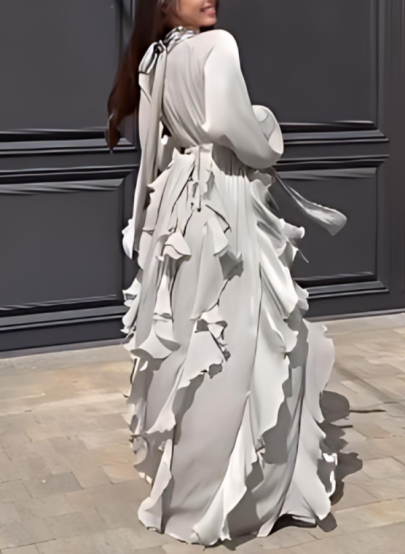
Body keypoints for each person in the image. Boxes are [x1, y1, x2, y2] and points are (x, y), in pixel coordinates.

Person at [107, 0, 347, 546]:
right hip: (225, 197)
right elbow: (232, 130)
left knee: (189, 335)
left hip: (180, 204)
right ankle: (238, 491)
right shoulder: (218, 44)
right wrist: (267, 130)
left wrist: (146, 223)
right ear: (163, 3)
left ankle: (187, 483)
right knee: (242, 336)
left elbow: (151, 150)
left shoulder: (156, 57)